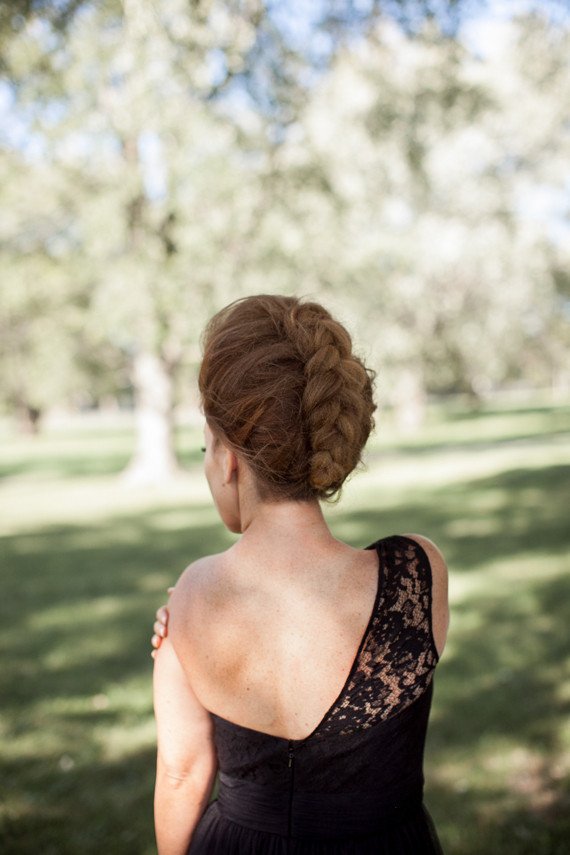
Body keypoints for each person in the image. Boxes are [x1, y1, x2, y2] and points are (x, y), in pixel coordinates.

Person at [151, 294, 449, 855]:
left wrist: (182, 626)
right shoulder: (418, 572)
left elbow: (180, 774)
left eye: (206, 446)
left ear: (229, 460)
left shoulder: (192, 595)